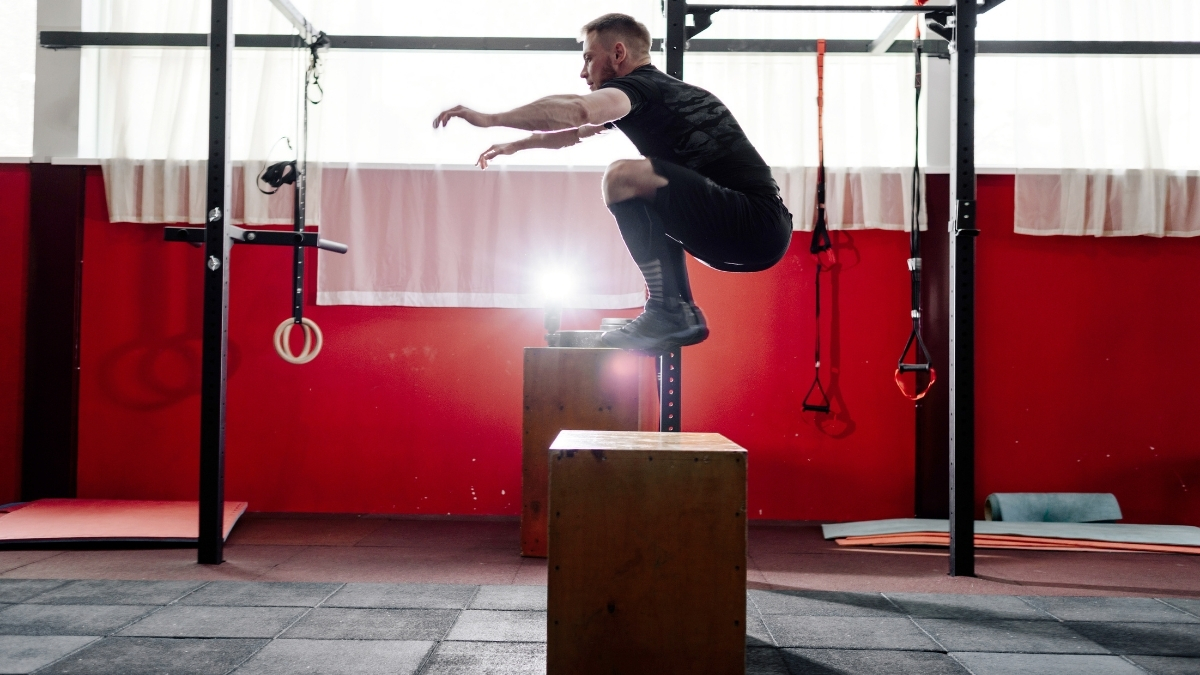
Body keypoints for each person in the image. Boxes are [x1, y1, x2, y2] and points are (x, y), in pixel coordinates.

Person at [434, 13, 792, 352]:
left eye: (589, 58)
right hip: (751, 235)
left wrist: (490, 118)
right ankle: (673, 311)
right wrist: (514, 145)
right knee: (642, 189)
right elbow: (574, 131)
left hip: (754, 222)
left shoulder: (638, 88)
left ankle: (669, 311)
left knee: (622, 177)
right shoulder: (652, 96)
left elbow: (577, 109)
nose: (583, 71)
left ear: (618, 53)